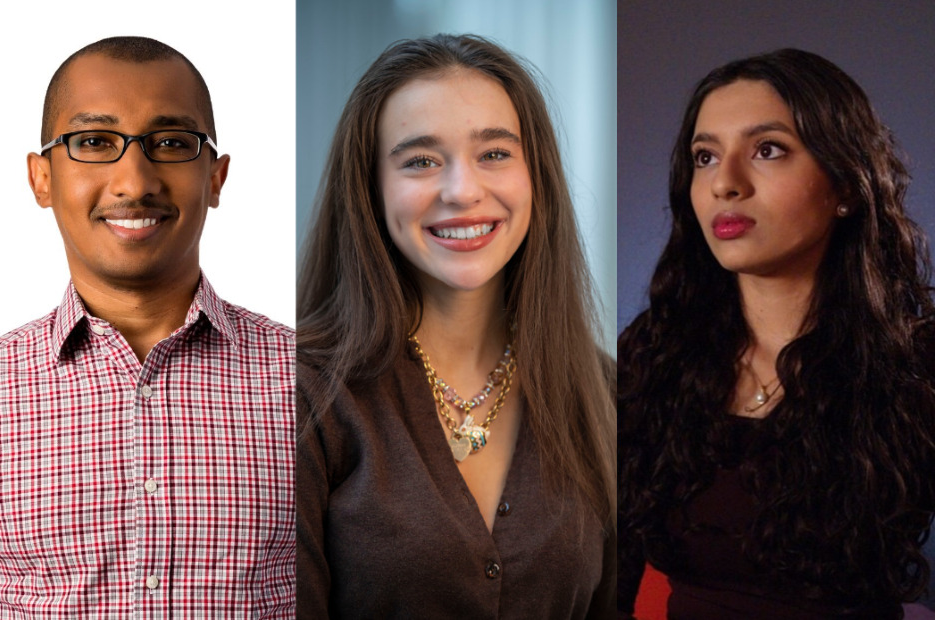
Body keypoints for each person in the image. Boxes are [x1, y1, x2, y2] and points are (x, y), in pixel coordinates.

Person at [297, 34, 616, 618]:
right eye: (420, 160)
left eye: (494, 153)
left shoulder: (605, 391)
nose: (463, 191)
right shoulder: (300, 394)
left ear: (535, 175)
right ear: (369, 190)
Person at [0, 37, 295, 615]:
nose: (134, 180)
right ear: (41, 178)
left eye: (171, 143)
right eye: (94, 142)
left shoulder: (314, 380)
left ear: (216, 178)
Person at [617, 48, 935, 618]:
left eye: (768, 150)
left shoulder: (917, 364)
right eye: (705, 157)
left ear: (845, 185)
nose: (725, 184)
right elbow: (606, 579)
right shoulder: (652, 354)